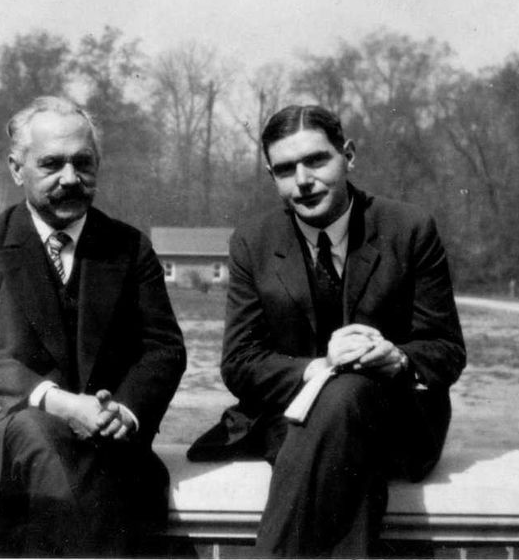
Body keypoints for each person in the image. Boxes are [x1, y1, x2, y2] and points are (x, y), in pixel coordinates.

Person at [188, 104, 466, 557]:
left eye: (317, 160)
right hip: (289, 419)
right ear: (271, 175)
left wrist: (395, 358)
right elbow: (239, 363)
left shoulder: (408, 229)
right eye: (284, 169)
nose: (302, 180)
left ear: (348, 155)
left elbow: (447, 349)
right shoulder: (253, 242)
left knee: (349, 394)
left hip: (395, 420)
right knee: (341, 415)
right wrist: (323, 366)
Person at [0, 96, 186, 557]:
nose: (70, 178)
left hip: (105, 444)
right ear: (16, 169)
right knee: (40, 434)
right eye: (52, 165)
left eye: (83, 164)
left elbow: (162, 351)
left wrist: (123, 412)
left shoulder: (129, 248)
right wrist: (65, 405)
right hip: (0, 442)